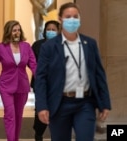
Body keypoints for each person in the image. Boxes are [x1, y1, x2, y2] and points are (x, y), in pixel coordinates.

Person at [34, 2, 111, 141]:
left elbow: (99, 75)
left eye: (75, 17)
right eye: (68, 16)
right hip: (59, 103)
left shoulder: (90, 44)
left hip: (85, 103)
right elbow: (41, 78)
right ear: (60, 19)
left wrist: (105, 103)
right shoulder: (49, 47)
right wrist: (42, 106)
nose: (72, 20)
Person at [0, 20, 37, 141]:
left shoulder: (26, 46)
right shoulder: (0, 47)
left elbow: (34, 65)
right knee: (10, 115)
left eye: (19, 30)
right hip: (6, 86)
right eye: (14, 30)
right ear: (8, 32)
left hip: (22, 86)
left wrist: (42, 81)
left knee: (18, 116)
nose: (17, 33)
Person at [30, 20, 60, 141]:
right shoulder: (37, 45)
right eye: (48, 29)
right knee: (41, 108)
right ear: (44, 31)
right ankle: (38, 132)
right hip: (41, 83)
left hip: (57, 84)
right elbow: (31, 62)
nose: (51, 32)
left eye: (54, 29)